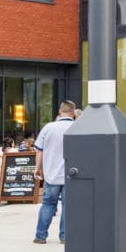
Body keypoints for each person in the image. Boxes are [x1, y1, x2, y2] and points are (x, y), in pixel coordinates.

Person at [33, 100, 75, 244]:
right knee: (68, 206)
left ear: (59, 111)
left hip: (51, 175)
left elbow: (39, 150)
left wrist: (38, 168)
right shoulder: (77, 127)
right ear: (73, 113)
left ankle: (40, 236)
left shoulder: (48, 128)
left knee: (48, 205)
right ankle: (65, 236)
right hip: (72, 175)